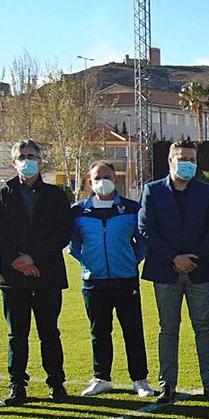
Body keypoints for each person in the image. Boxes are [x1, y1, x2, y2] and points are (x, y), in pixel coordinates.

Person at [139, 140, 209, 404]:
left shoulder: (207, 191)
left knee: (204, 328)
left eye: (192, 159)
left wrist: (193, 257)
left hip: (200, 270)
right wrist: (174, 258)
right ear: (170, 160)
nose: (188, 163)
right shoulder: (152, 191)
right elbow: (146, 229)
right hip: (166, 271)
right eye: (183, 158)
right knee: (168, 329)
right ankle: (168, 385)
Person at [70, 160, 153, 398]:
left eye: (107, 176)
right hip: (94, 281)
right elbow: (73, 244)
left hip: (125, 279)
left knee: (133, 330)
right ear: (89, 181)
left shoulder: (130, 208)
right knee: (99, 332)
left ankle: (140, 380)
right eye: (97, 177)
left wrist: (129, 261)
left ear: (115, 179)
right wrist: (88, 261)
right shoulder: (79, 211)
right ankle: (101, 378)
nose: (102, 181)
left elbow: (143, 242)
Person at [0, 140, 72, 406]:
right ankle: (17, 386)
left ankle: (56, 384)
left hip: (47, 274)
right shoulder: (3, 193)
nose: (26, 160)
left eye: (31, 156)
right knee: (16, 335)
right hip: (12, 276)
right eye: (22, 156)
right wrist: (17, 260)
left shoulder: (56, 195)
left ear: (40, 160)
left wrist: (33, 257)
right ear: (13, 161)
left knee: (49, 332)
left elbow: (62, 233)